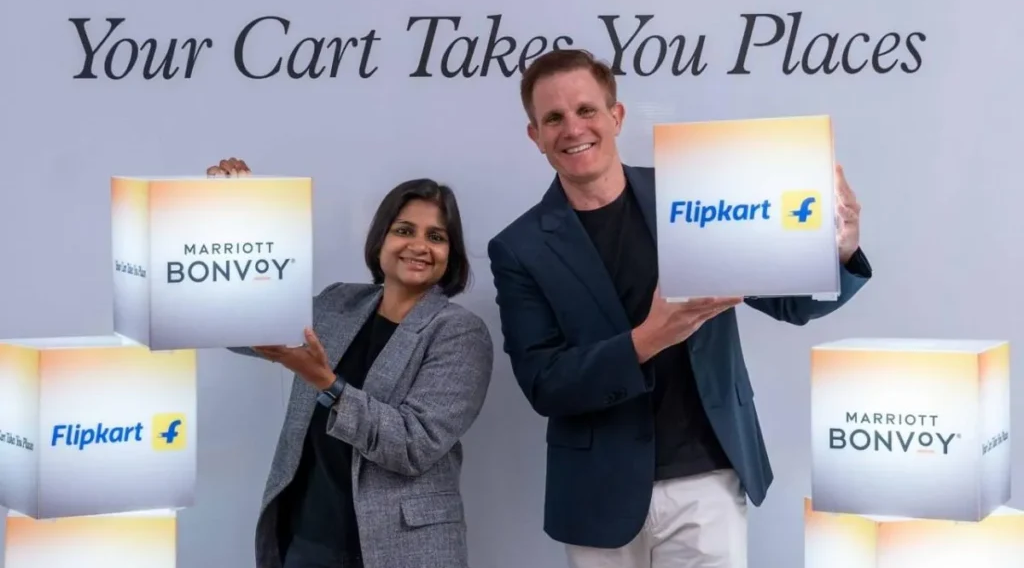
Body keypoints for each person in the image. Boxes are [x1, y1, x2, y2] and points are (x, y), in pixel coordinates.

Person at [486, 50, 873, 568]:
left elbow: (792, 303)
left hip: (708, 477)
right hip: (597, 493)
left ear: (616, 116)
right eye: (553, 118)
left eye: (586, 110)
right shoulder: (518, 248)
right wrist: (648, 338)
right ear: (535, 135)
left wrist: (838, 252)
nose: (573, 128)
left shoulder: (691, 194)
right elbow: (545, 383)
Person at [207, 158, 494, 568]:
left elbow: (413, 445)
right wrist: (233, 213)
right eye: (404, 230)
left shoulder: (459, 332)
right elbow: (237, 326)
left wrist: (328, 383)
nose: (419, 245)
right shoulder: (338, 303)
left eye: (436, 236)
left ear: (451, 253)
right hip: (307, 539)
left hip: (400, 551)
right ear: (380, 240)